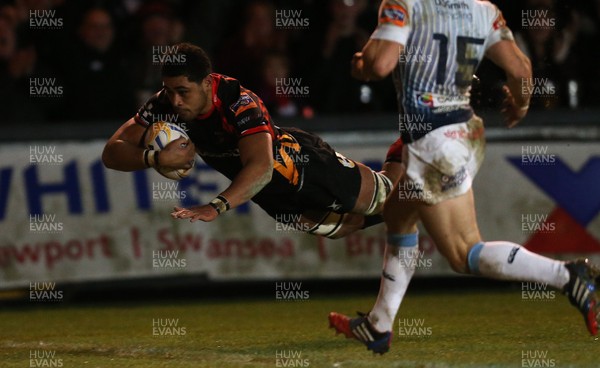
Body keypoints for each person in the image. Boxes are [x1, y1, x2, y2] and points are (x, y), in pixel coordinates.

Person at [328, 0, 599, 354]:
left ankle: (567, 277)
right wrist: (520, 104)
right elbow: (520, 68)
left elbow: (380, 64)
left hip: (434, 143)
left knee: (463, 252)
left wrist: (360, 65)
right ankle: (379, 324)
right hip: (464, 132)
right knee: (397, 213)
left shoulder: (404, 3)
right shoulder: (482, 8)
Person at [102, 42, 404, 239]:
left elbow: (261, 166)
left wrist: (215, 207)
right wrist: (152, 158)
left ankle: (413, 154)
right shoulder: (163, 105)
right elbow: (112, 152)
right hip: (268, 193)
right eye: (169, 91)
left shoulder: (239, 102)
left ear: (206, 83)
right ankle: (417, 184)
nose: (176, 101)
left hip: (302, 166)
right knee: (338, 228)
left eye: (183, 91)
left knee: (386, 197)